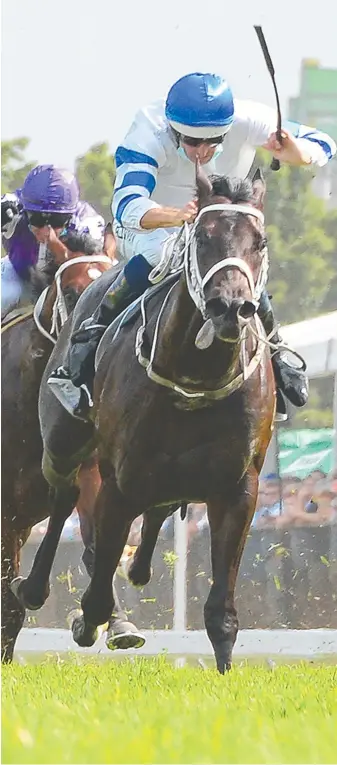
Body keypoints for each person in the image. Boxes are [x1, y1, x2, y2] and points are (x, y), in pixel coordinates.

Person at [48, 72, 336, 419]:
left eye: (214, 141)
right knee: (167, 253)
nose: (203, 152)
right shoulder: (147, 131)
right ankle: (85, 344)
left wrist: (297, 152)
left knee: (240, 261)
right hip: (150, 223)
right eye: (191, 142)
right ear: (172, 129)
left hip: (217, 222)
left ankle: (276, 350)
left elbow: (324, 142)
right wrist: (175, 216)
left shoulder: (248, 117)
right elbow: (127, 205)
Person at [1, 164, 106, 319]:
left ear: (70, 215)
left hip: (66, 285)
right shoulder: (10, 208)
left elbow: (99, 269)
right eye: (36, 219)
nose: (46, 231)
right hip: (20, 277)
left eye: (57, 220)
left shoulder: (88, 224)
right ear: (25, 209)